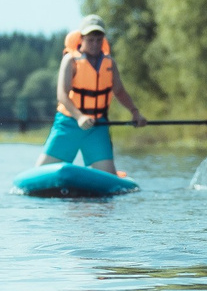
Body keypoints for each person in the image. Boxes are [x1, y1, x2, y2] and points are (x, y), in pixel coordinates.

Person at [37, 15, 142, 173]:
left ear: (103, 40)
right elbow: (62, 95)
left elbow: (119, 92)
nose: (95, 44)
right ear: (81, 38)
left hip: (97, 126)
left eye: (99, 40)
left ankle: (110, 175)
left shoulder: (109, 63)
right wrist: (80, 117)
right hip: (68, 123)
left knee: (108, 178)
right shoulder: (70, 60)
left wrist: (135, 113)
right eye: (90, 39)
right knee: (42, 172)